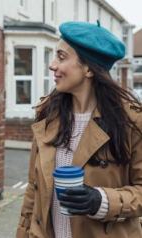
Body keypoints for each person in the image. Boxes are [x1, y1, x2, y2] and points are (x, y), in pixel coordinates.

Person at [16, 21, 142, 238]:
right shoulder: (47, 115)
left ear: (88, 68)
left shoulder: (130, 121)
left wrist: (101, 201)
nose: (52, 65)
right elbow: (33, 190)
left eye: (61, 57)